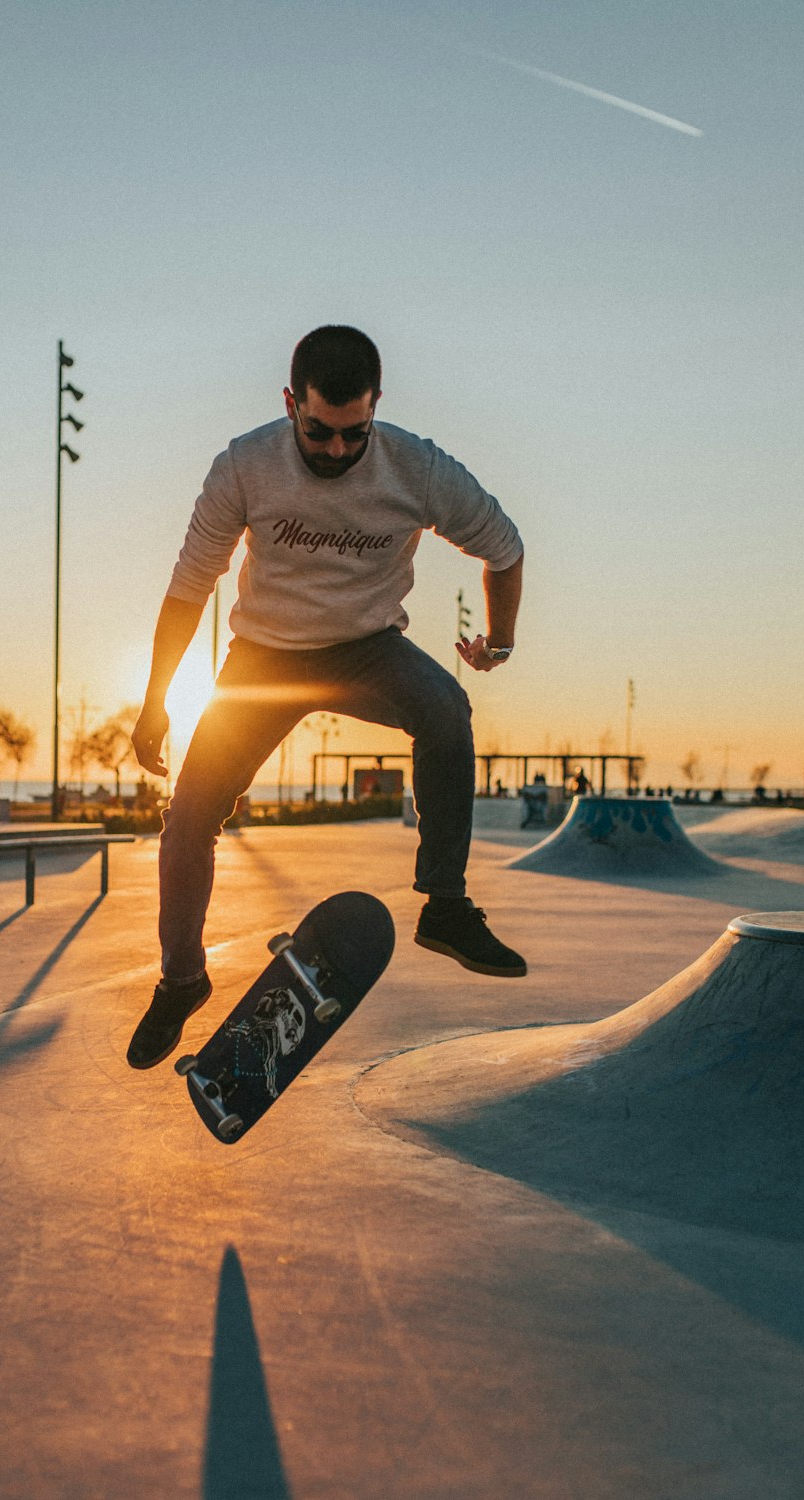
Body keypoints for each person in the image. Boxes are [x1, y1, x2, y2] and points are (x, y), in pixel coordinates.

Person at [128, 325, 526, 1070]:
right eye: (319, 433)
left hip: (367, 648)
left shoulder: (419, 468)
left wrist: (498, 641)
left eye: (355, 435)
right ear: (290, 405)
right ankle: (181, 981)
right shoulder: (244, 467)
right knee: (188, 820)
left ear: (376, 409)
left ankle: (445, 905)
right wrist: (156, 701)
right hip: (263, 660)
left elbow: (504, 548)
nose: (338, 452)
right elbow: (188, 589)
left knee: (446, 711)